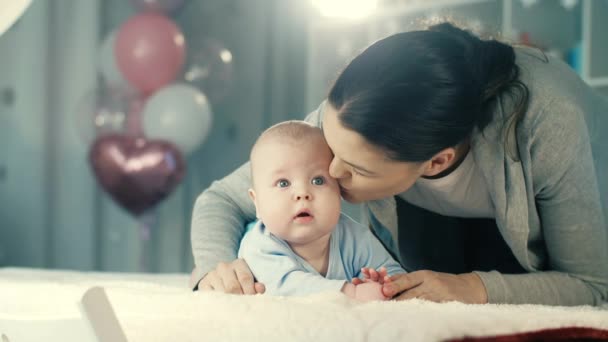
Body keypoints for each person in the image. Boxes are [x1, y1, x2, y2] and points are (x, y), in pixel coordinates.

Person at [190, 22, 608, 306]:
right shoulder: (352, 118)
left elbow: (593, 285)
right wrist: (215, 268)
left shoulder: (549, 125)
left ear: (435, 162)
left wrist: (472, 287)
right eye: (334, 152)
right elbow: (221, 200)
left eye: (357, 168)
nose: (331, 173)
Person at [238, 120, 405, 301]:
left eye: (318, 180)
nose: (303, 193)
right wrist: (351, 293)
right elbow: (285, 287)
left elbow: (396, 275)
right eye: (283, 183)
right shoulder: (259, 246)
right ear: (257, 203)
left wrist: (383, 284)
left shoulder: (354, 236)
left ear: (339, 190)